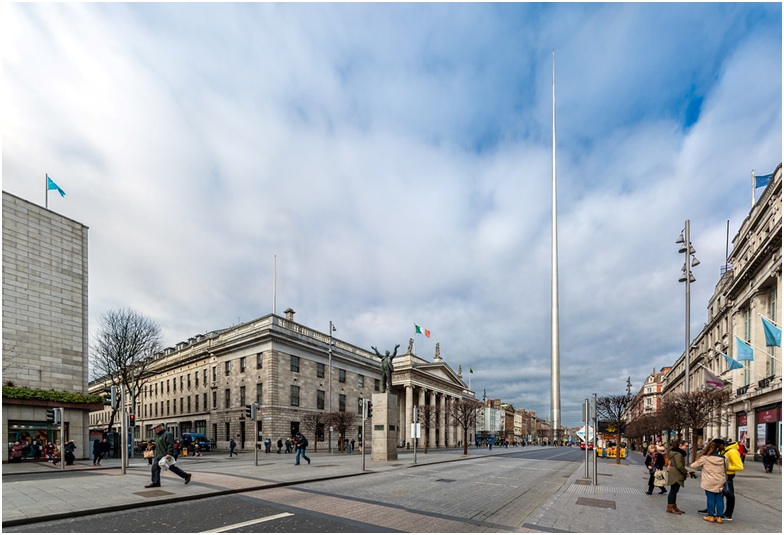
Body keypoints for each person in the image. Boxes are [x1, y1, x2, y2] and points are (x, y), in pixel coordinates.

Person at [690, 439, 727, 524]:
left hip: (709, 481)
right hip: (720, 481)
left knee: (710, 498)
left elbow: (693, 465)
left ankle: (711, 516)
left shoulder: (705, 458)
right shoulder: (724, 458)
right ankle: (719, 517)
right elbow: (726, 468)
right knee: (720, 499)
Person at [146, 423, 191, 488]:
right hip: (158, 455)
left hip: (165, 455)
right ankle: (156, 482)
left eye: (155, 428)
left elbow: (170, 445)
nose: (154, 430)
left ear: (160, 427)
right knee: (154, 468)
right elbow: (159, 445)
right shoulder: (158, 435)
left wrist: (169, 454)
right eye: (154, 429)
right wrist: (152, 447)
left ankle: (186, 475)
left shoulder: (167, 434)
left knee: (171, 467)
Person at [665, 439, 692, 515]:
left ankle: (673, 506)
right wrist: (686, 472)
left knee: (674, 491)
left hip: (674, 472)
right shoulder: (678, 454)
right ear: (680, 445)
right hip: (676, 473)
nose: (687, 447)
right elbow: (679, 466)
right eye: (686, 446)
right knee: (673, 491)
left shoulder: (675, 452)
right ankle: (670, 507)